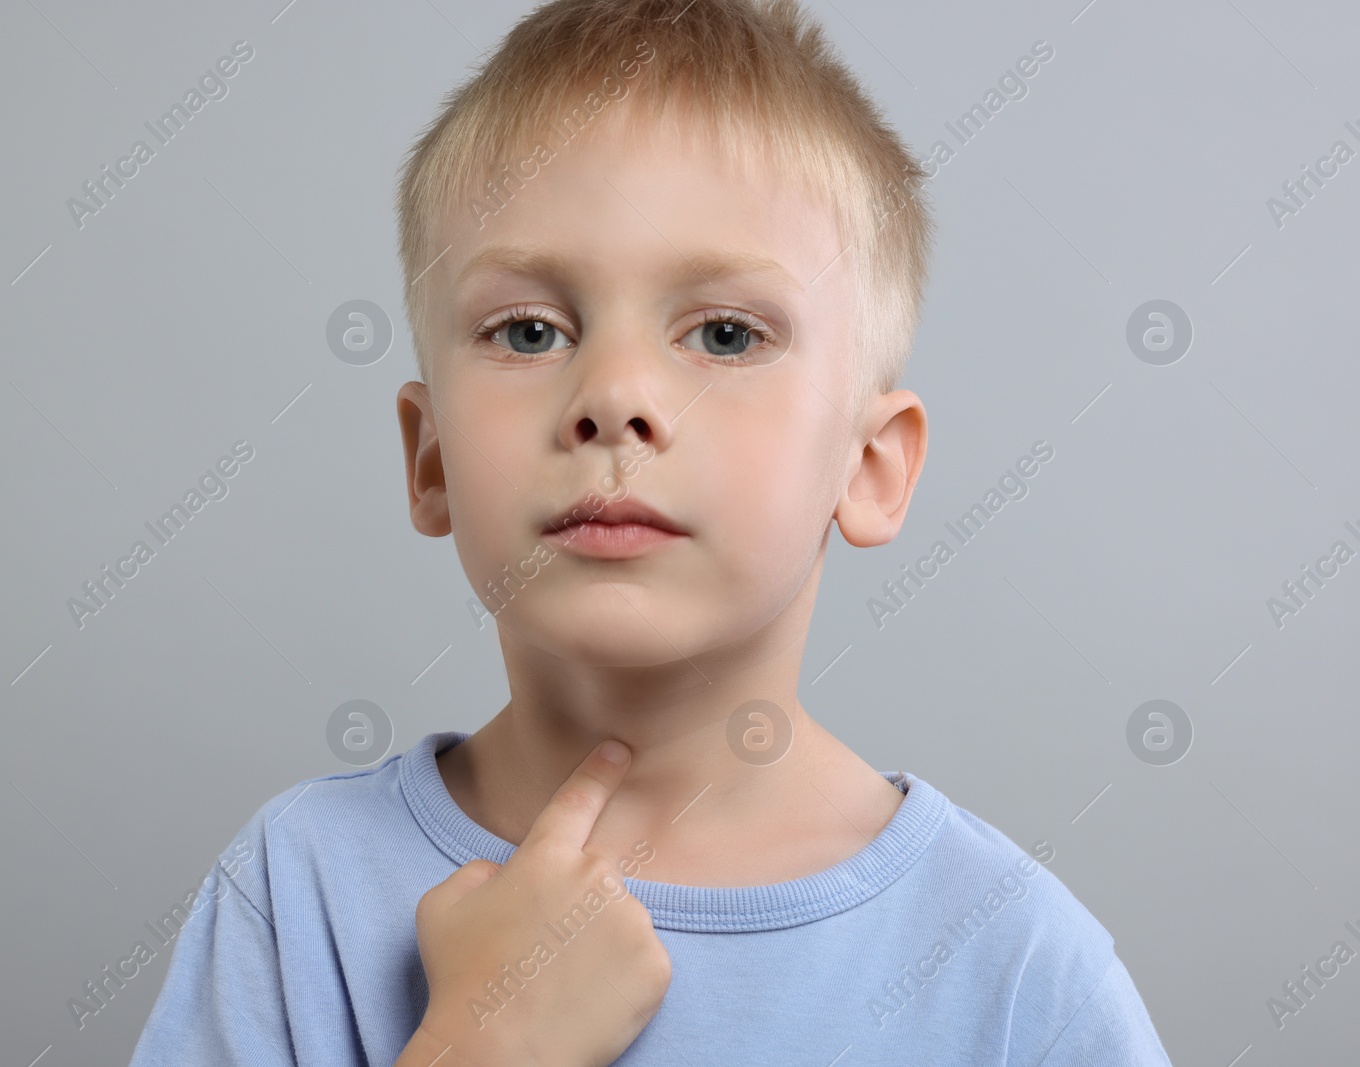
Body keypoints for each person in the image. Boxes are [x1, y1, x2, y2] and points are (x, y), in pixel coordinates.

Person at [129, 1, 1172, 1062]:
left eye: (725, 333)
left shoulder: (1015, 968)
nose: (615, 395)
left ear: (868, 467)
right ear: (429, 455)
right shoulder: (295, 891)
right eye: (528, 330)